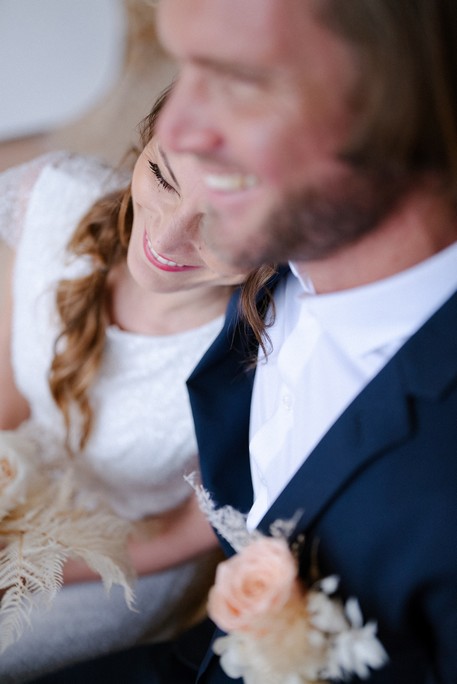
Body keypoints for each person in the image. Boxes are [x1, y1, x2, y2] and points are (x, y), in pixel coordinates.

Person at [30, 1, 457, 683]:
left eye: (237, 80)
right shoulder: (266, 251)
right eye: (186, 66)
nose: (173, 126)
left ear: (390, 113)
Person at [0, 86, 267, 683]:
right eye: (165, 179)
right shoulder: (55, 199)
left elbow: (187, 533)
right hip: (24, 475)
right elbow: (8, 396)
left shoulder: (256, 359)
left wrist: (36, 566)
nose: (166, 241)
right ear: (148, 140)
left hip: (125, 559)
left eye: (220, 226)